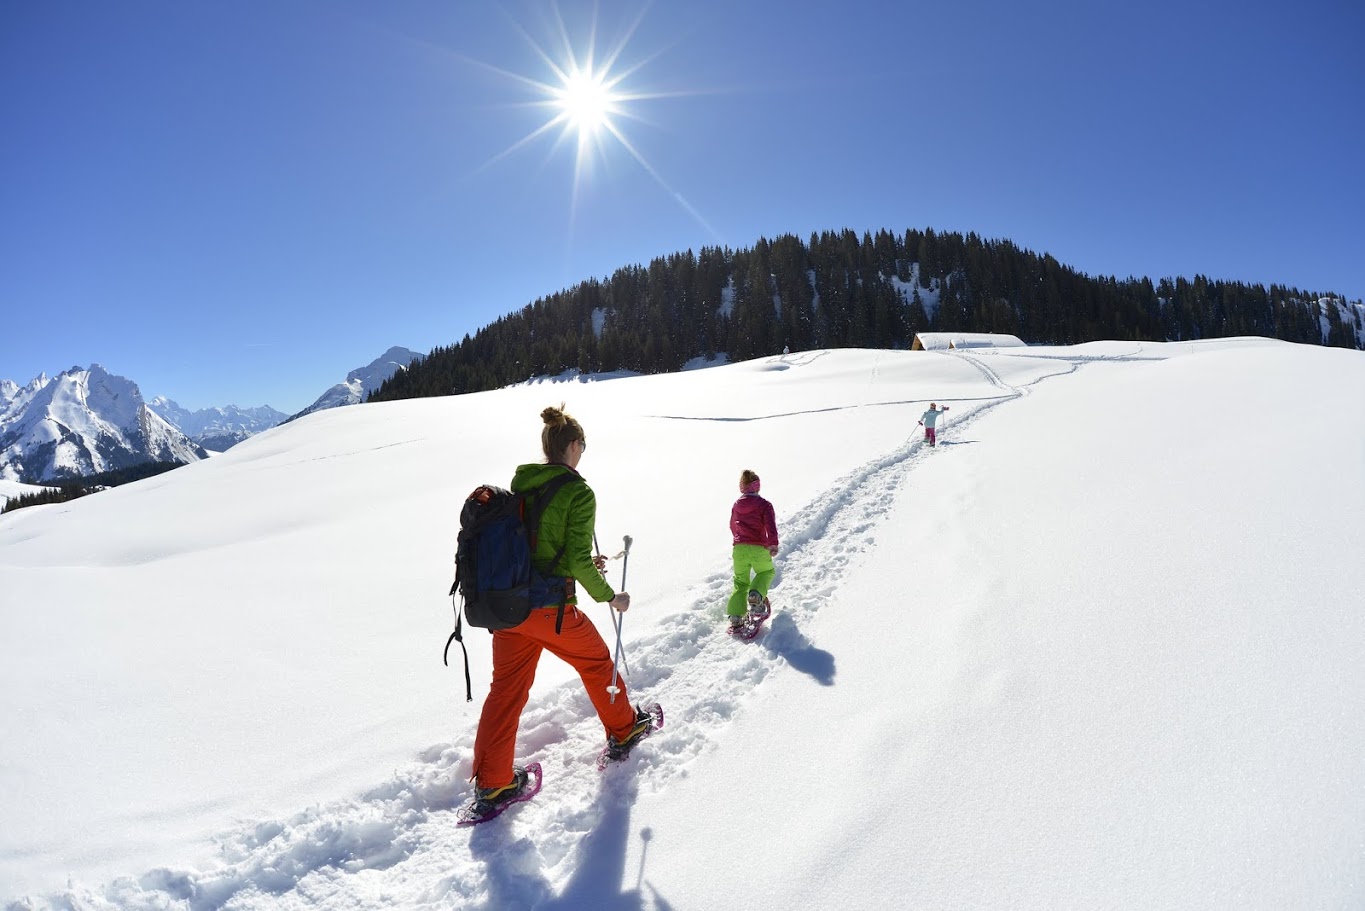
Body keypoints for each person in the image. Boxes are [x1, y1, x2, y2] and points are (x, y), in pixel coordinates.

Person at [469, 405, 655, 814]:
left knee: (505, 691)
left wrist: (584, 564)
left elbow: (538, 546)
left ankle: (494, 784)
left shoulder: (523, 486)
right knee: (596, 662)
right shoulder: (578, 490)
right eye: (582, 445)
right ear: (572, 445)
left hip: (511, 610)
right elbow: (573, 560)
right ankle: (624, 730)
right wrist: (609, 595)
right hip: (551, 609)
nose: (583, 452)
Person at [727, 469, 779, 631]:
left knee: (740, 582)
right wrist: (772, 543)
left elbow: (732, 525)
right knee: (766, 572)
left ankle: (736, 617)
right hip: (758, 547)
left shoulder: (737, 505)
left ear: (742, 487)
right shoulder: (764, 505)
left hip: (739, 548)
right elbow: (770, 525)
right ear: (757, 487)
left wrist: (739, 539)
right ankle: (756, 597)